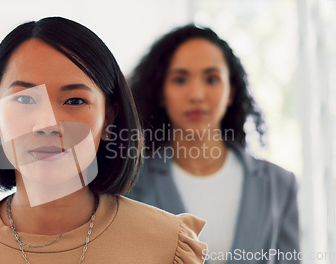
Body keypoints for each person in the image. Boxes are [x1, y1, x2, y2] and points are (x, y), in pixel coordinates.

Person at [0, 17, 207, 263]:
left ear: (109, 119)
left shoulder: (167, 248)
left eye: (74, 101)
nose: (47, 124)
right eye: (24, 100)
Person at [127, 24, 300, 264]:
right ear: (161, 93)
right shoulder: (131, 184)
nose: (197, 94)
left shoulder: (279, 184)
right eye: (180, 79)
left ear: (230, 91)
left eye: (211, 79)